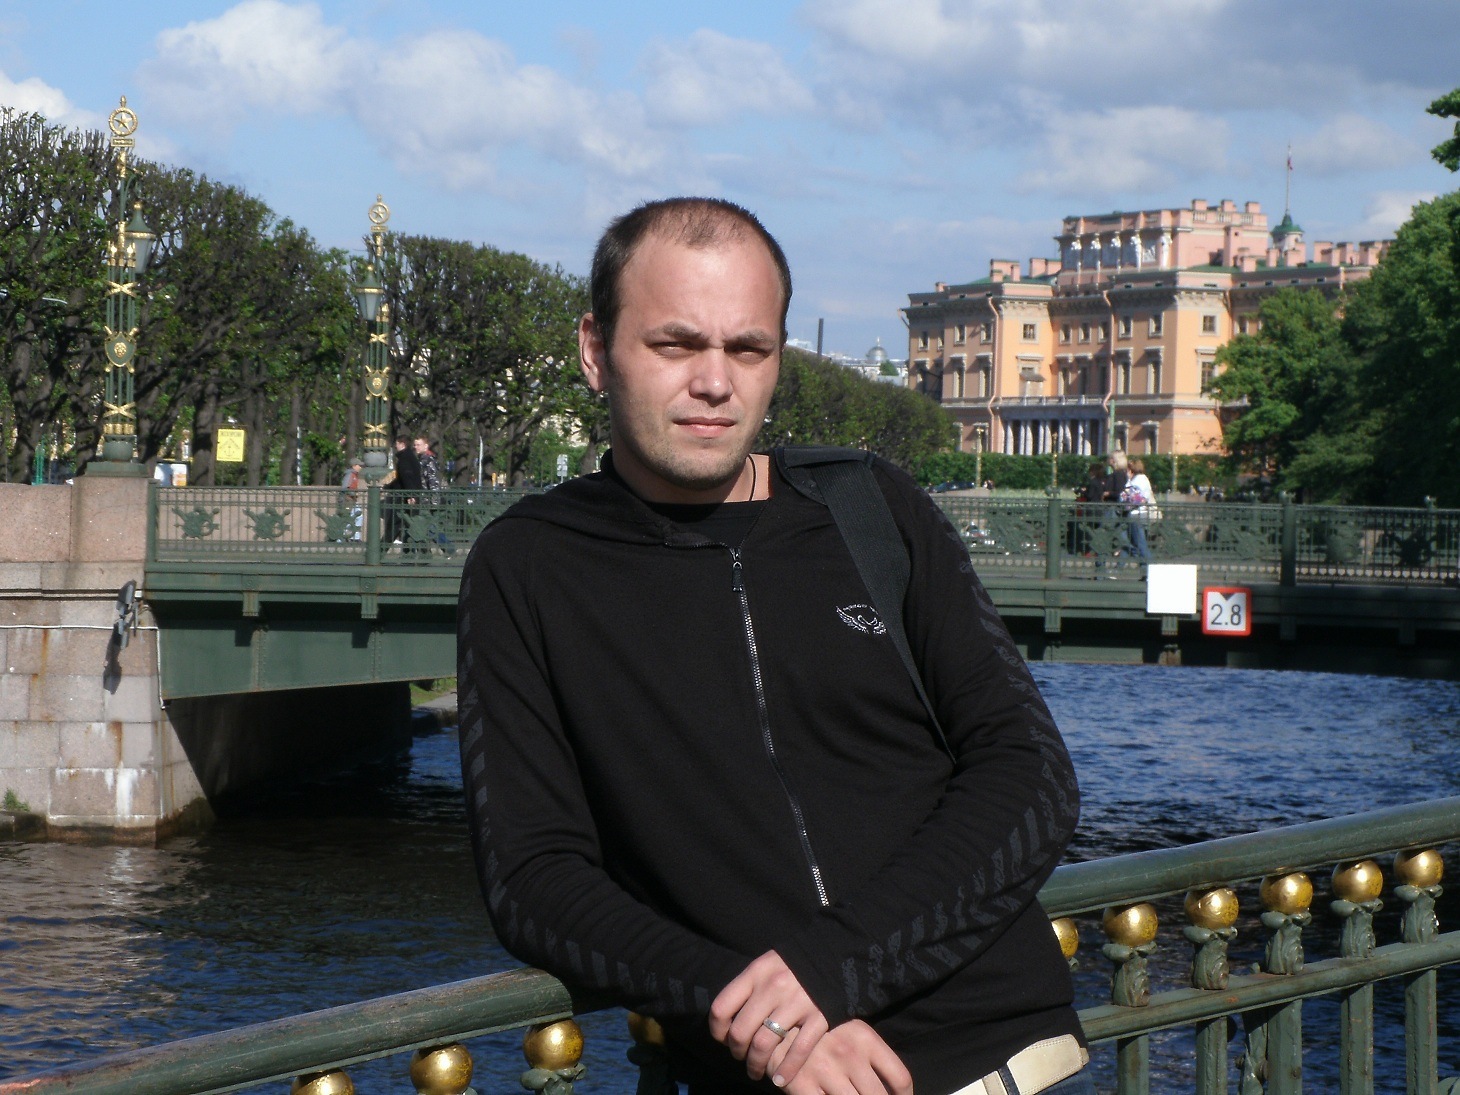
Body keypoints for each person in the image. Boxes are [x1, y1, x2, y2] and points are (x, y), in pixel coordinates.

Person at [457, 198, 1090, 1095]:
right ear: (596, 350)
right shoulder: (528, 565)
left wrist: (831, 972)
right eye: (676, 345)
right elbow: (534, 875)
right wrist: (761, 1017)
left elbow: (1029, 772)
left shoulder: (869, 506)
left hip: (1007, 1061)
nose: (715, 381)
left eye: (748, 349)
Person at [387, 435, 421, 544]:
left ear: (402, 444)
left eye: (397, 443)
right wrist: (389, 486)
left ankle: (380, 549)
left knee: (396, 524)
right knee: (409, 524)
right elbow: (402, 479)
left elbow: (407, 477)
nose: (395, 446)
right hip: (407, 495)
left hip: (404, 497)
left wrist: (411, 495)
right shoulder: (408, 456)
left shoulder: (405, 458)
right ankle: (416, 550)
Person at [1121, 458, 1156, 564]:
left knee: (1139, 544)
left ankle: (1149, 566)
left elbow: (1135, 498)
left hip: (1136, 514)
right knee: (1130, 542)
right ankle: (1120, 566)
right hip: (1139, 513)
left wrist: (1124, 496)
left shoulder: (1138, 480)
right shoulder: (1142, 479)